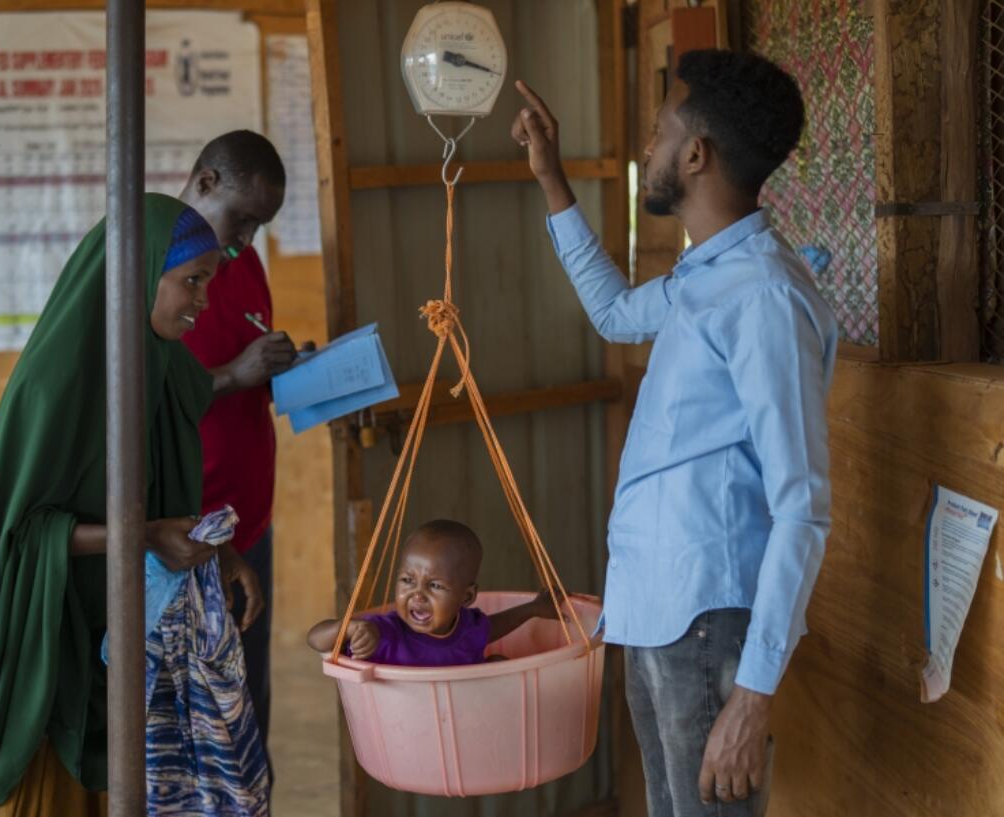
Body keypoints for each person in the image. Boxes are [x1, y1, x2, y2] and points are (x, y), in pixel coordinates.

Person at [512, 50, 837, 816]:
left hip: (707, 621)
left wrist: (753, 694)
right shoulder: (707, 277)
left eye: (658, 133)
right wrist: (550, 177)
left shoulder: (762, 295)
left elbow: (802, 507)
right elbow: (617, 314)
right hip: (658, 611)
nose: (647, 151)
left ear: (696, 155)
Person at [0, 196, 264, 817]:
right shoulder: (55, 385)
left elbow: (160, 496)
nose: (202, 302)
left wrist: (219, 548)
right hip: (25, 635)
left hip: (89, 628)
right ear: (135, 276)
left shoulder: (157, 365)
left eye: (207, 283)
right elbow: (18, 540)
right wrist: (146, 535)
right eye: (191, 282)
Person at [178, 130, 313, 762]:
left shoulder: (243, 261)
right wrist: (234, 373)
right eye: (243, 220)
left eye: (259, 227)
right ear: (205, 183)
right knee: (193, 720)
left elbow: (244, 367)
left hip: (248, 522)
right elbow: (139, 399)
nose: (246, 241)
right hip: (184, 531)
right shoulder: (157, 269)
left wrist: (289, 368)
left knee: (246, 710)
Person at [306, 519, 563, 666]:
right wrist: (349, 628)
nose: (417, 595)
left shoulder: (468, 629)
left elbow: (494, 627)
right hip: (407, 730)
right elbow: (315, 639)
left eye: (435, 586)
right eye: (407, 580)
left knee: (498, 662)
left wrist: (534, 609)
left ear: (467, 597)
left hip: (464, 726)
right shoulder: (383, 633)